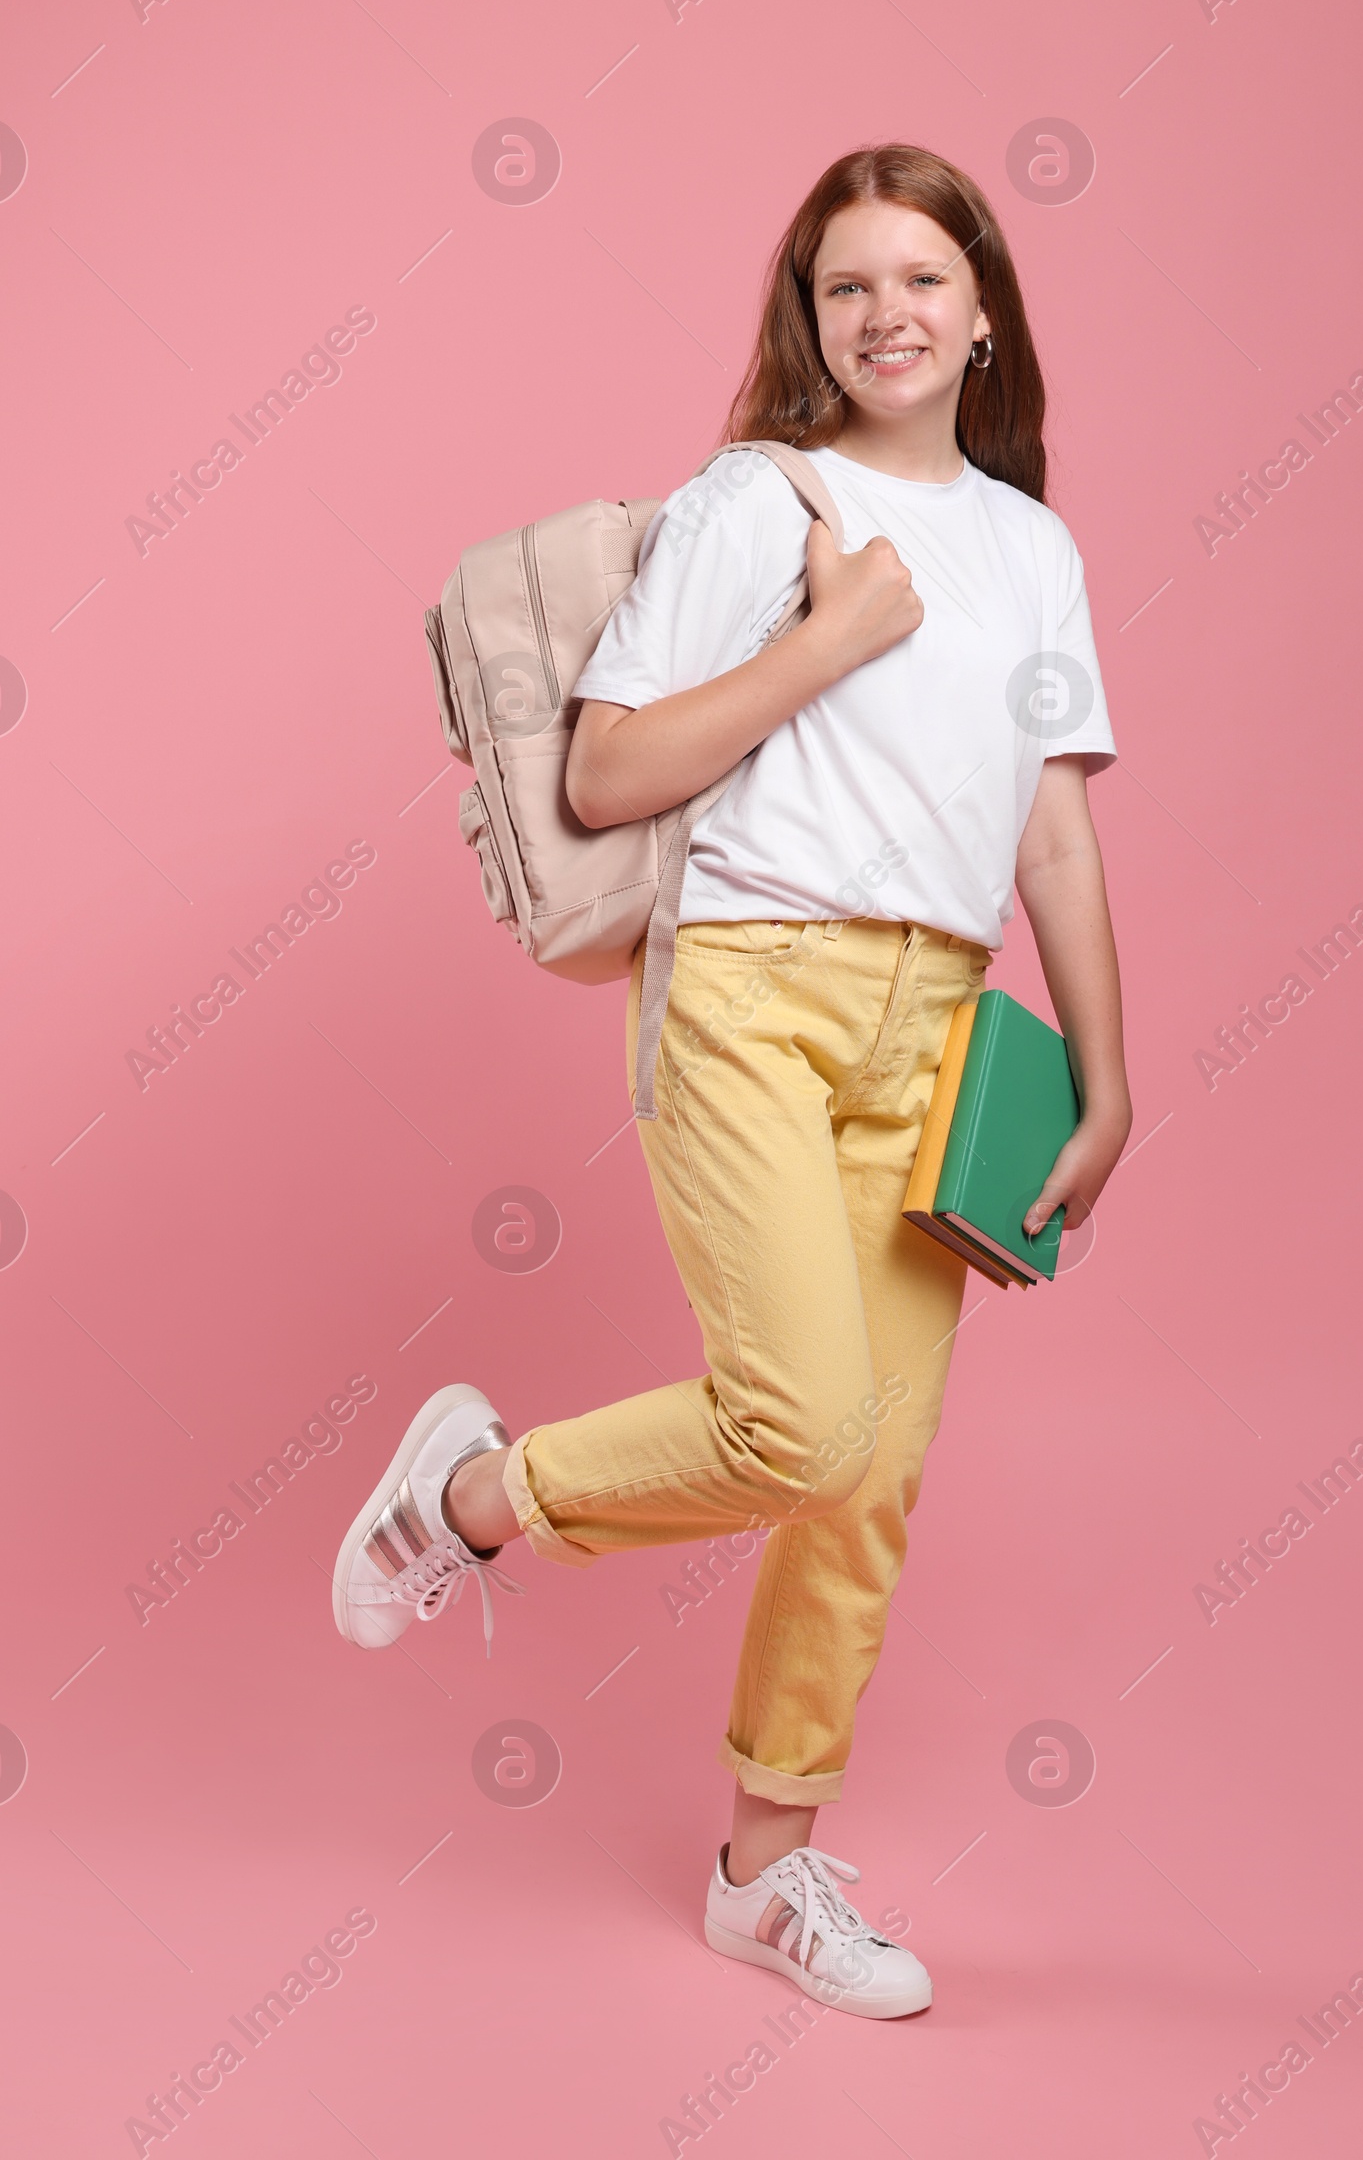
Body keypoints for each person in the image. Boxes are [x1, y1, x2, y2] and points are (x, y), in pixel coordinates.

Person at [332, 144, 1131, 2019]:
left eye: (921, 279)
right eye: (847, 287)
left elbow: (1061, 839)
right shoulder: (753, 507)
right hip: (755, 990)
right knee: (803, 1427)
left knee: (873, 1481)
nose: (887, 315)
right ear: (811, 320)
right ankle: (471, 1495)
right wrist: (827, 639)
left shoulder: (1033, 548)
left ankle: (763, 1879)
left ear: (985, 309)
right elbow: (607, 776)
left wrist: (1109, 1081)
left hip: (938, 1030)